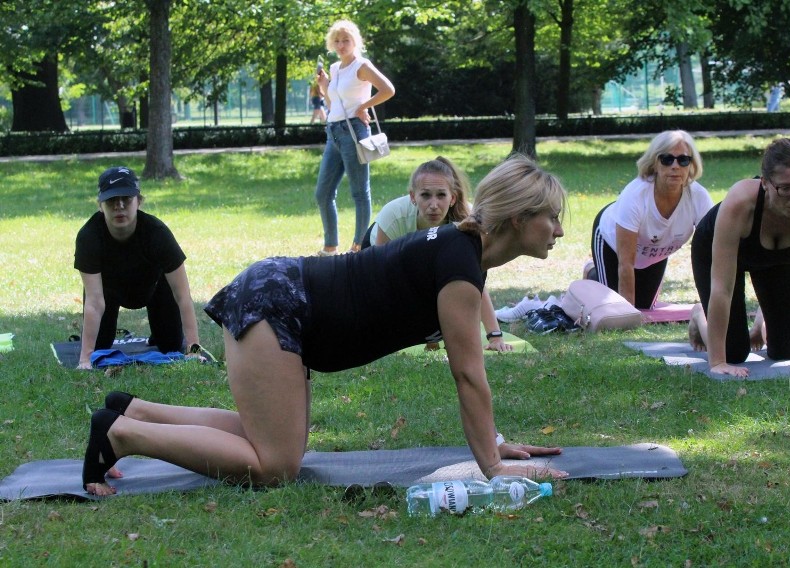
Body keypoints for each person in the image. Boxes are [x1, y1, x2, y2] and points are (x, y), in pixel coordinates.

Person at [82, 156, 569, 496]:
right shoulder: (460, 259)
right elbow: (468, 375)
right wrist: (493, 465)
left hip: (285, 299)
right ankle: (122, 436)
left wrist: (496, 442)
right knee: (275, 466)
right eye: (552, 218)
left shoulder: (461, 252)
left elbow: (469, 376)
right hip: (281, 302)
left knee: (276, 445)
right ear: (520, 219)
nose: (560, 230)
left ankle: (135, 412)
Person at [688, 138, 790, 377]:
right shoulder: (740, 203)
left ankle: (762, 321)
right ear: (765, 183)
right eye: (785, 188)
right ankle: (701, 314)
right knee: (733, 352)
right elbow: (722, 288)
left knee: (788, 351)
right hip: (719, 251)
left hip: (781, 260)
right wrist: (717, 362)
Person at [364, 156, 512, 352]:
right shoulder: (393, 215)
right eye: (425, 195)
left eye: (441, 195)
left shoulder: (464, 223)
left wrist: (494, 336)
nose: (433, 204)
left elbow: (476, 283)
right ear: (412, 197)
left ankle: (430, 331)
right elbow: (380, 276)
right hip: (379, 254)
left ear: (453, 198)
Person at [74, 166, 203, 371]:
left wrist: (193, 351)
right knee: (99, 351)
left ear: (139, 201)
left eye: (127, 198)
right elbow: (94, 302)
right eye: (112, 200)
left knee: (171, 346)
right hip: (108, 293)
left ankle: (161, 333)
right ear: (100, 205)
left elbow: (183, 296)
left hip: (155, 289)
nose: (120, 206)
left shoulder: (158, 233)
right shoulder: (88, 237)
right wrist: (85, 359)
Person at [587, 130, 713, 309]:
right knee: (614, 307)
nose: (675, 166)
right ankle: (593, 274)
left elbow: (711, 254)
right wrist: (628, 316)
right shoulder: (635, 195)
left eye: (683, 160)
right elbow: (626, 263)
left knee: (645, 306)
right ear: (655, 163)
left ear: (692, 164)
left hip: (655, 251)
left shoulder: (699, 197)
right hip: (612, 243)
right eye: (667, 159)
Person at [314, 19, 395, 256]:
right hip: (334, 132)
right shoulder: (335, 68)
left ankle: (359, 247)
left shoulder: (362, 65)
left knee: (360, 192)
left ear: (354, 41)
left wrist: (365, 106)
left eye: (345, 40)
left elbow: (388, 89)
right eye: (337, 41)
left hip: (354, 133)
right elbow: (334, 104)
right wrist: (324, 86)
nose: (341, 45)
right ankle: (330, 247)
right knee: (323, 193)